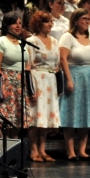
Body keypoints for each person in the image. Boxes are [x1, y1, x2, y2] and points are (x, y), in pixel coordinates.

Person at [58, 9, 90, 160]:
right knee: (72, 113)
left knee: (86, 113)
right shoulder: (68, 37)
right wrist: (69, 79)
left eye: (88, 19)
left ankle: (82, 150)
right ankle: (70, 151)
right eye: (84, 18)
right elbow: (63, 59)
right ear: (76, 20)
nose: (87, 21)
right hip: (75, 76)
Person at [26, 11, 61, 162]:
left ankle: (42, 149)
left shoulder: (54, 41)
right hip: (37, 79)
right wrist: (31, 89)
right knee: (35, 117)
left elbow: (57, 65)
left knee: (45, 117)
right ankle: (33, 149)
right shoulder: (31, 41)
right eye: (47, 21)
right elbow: (28, 66)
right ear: (39, 24)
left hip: (50, 80)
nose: (50, 24)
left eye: (51, 21)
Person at [0, 11, 29, 137]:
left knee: (18, 120)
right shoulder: (0, 42)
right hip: (7, 81)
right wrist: (1, 85)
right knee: (7, 118)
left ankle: (15, 144)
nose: (18, 26)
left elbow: (27, 64)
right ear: (7, 25)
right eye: (14, 23)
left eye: (20, 23)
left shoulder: (22, 43)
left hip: (21, 82)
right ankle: (4, 144)